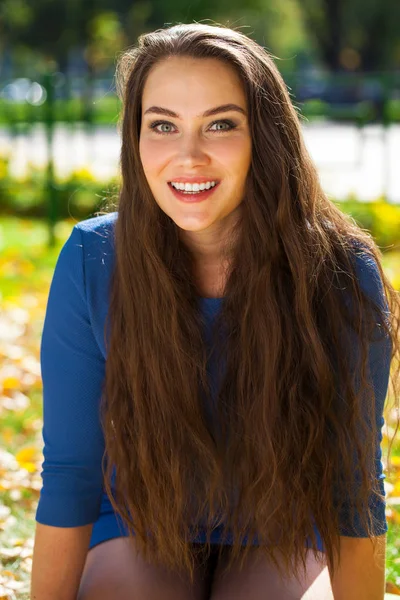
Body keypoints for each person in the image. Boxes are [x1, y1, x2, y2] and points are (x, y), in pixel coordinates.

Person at [30, 22, 400, 600]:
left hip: (284, 528)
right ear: (136, 138)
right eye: (163, 125)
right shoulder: (93, 258)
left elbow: (353, 489)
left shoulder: (340, 271)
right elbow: (72, 474)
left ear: (266, 137)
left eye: (221, 124)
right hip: (137, 522)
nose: (189, 155)